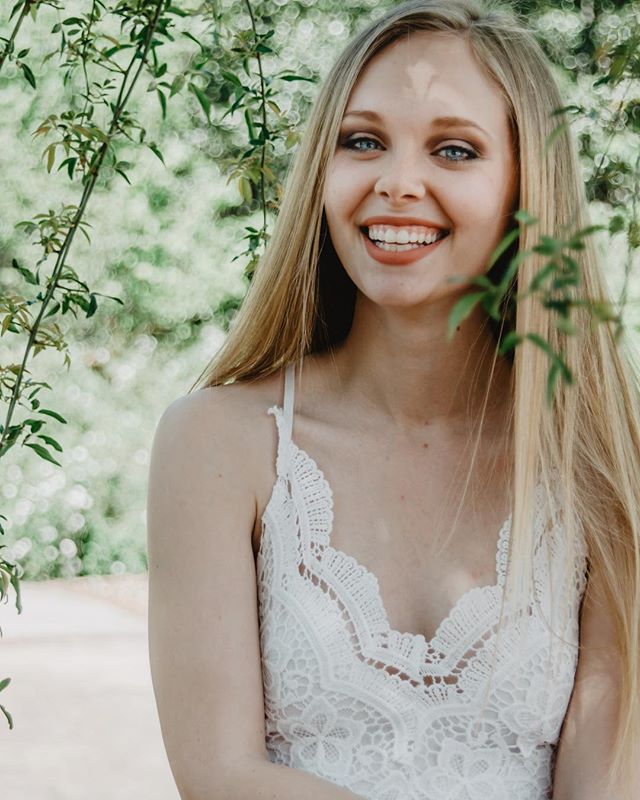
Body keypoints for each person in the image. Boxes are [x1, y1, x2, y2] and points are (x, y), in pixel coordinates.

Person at [146, 1, 640, 798]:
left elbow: (606, 781)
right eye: (363, 141)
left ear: (526, 188)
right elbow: (219, 776)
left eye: (454, 149)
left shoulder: (604, 458)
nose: (398, 183)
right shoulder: (217, 443)